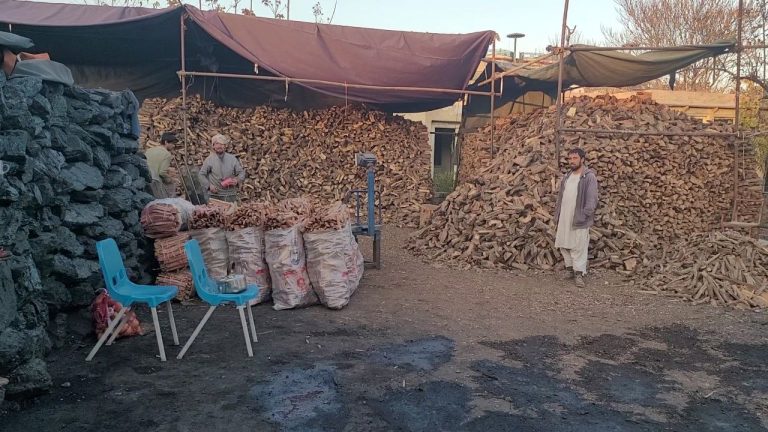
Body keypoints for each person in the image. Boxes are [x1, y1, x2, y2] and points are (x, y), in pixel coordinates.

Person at [554, 148, 599, 288]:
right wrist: (558, 214)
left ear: (582, 159)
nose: (572, 161)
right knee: (563, 244)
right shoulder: (567, 177)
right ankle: (570, 270)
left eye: (575, 158)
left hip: (579, 218)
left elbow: (592, 199)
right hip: (565, 217)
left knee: (578, 246)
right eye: (570, 158)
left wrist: (585, 215)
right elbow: (561, 197)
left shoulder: (588, 177)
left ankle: (579, 273)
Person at [198, 133, 245, 203]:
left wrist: (237, 180)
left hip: (230, 195)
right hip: (214, 195)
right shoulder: (209, 160)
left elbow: (241, 173)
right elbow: (201, 174)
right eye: (217, 144)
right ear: (213, 146)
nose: (219, 146)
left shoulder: (232, 159)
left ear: (225, 146)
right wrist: (209, 186)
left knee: (231, 210)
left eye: (222, 144)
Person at [146, 132, 179, 198]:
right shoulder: (166, 154)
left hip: (145, 179)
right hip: (155, 182)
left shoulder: (149, 150)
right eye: (172, 143)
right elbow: (162, 172)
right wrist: (171, 180)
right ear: (166, 142)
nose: (174, 146)